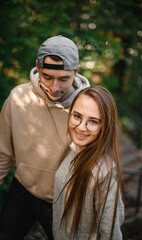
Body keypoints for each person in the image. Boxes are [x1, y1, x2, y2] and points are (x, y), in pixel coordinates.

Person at [0, 35, 90, 240]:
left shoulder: (89, 107)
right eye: (47, 76)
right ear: (37, 68)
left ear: (76, 71)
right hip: (22, 190)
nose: (54, 87)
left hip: (64, 201)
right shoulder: (17, 98)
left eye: (64, 79)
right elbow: (3, 152)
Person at [53, 85, 124, 240]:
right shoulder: (73, 149)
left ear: (105, 126)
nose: (81, 127)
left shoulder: (103, 172)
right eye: (77, 116)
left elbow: (111, 233)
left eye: (92, 121)